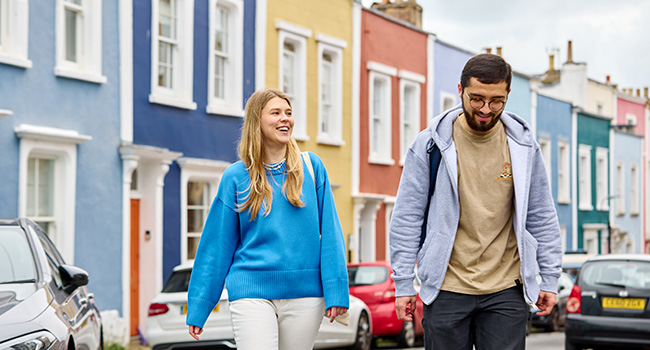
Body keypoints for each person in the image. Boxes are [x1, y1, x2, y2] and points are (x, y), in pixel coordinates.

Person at [389, 54, 562, 350]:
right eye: (476, 99)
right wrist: (403, 283)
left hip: (506, 289)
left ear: (508, 95)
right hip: (446, 288)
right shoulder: (429, 145)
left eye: (496, 101)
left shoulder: (522, 146)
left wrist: (549, 278)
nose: (485, 109)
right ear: (460, 91)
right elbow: (407, 217)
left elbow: (541, 215)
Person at [186, 89, 349, 350]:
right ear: (257, 122)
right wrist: (200, 304)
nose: (285, 119)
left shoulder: (312, 167)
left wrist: (337, 290)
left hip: (304, 293)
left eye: (288, 113)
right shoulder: (236, 177)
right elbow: (216, 246)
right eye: (275, 113)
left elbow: (331, 233)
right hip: (251, 290)